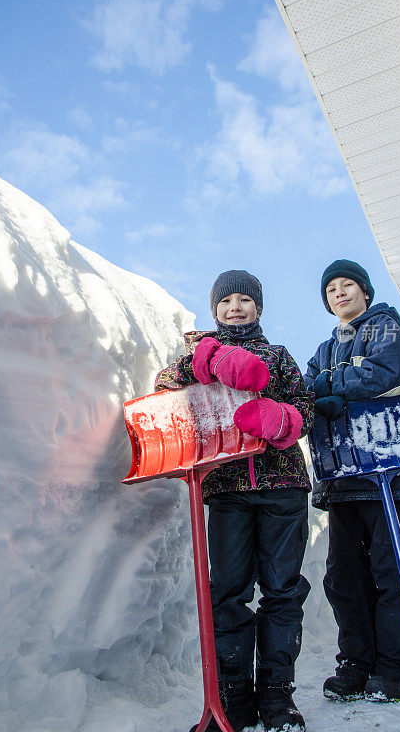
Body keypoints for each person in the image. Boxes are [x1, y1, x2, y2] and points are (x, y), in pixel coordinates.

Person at [155, 270, 313, 732]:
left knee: (282, 593)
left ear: (259, 309)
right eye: (227, 301)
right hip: (226, 492)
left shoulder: (279, 357)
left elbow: (305, 406)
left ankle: (278, 700)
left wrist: (282, 418)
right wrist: (204, 359)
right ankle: (234, 700)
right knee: (226, 596)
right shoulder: (193, 358)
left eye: (246, 299)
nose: (236, 307)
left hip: (282, 487)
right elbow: (166, 394)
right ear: (214, 310)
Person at [304, 259, 400, 703]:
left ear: (364, 291)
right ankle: (357, 662)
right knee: (344, 577)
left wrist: (332, 386)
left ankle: (398, 667)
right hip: (343, 478)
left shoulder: (384, 327)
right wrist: (327, 387)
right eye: (331, 290)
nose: (340, 293)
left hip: (389, 473)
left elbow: (384, 373)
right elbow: (306, 388)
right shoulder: (322, 349)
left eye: (348, 285)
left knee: (390, 570)